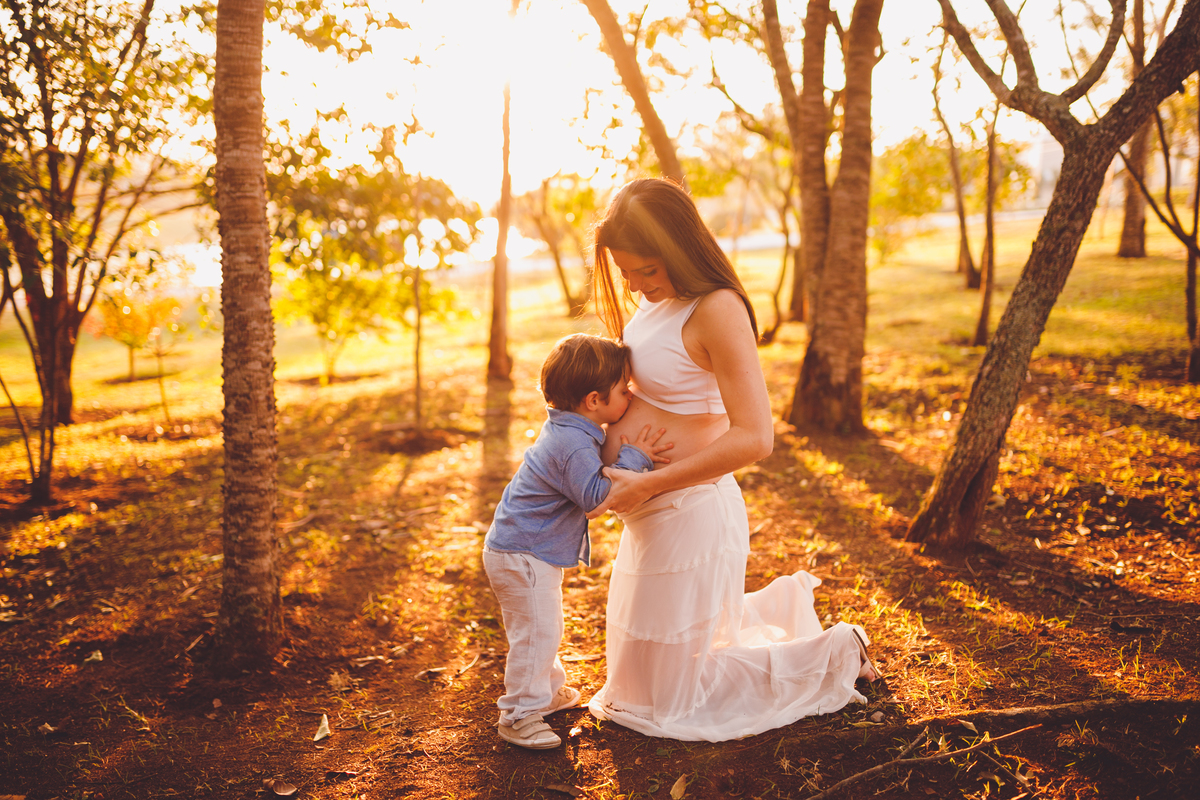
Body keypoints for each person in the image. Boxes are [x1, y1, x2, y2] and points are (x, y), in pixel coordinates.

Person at [584, 177, 879, 742]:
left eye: (647, 269)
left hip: (692, 512)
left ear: (680, 247)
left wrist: (652, 483)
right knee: (636, 691)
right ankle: (795, 637)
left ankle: (839, 652)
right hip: (648, 523)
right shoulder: (652, 309)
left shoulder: (716, 308)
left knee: (670, 702)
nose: (636, 284)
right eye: (626, 272)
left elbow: (754, 437)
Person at [483, 333, 673, 750]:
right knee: (536, 633)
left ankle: (546, 691)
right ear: (593, 400)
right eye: (624, 391)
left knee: (541, 629)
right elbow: (594, 499)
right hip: (523, 553)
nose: (629, 397)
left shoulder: (569, 431)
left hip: (522, 550)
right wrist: (635, 458)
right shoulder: (572, 444)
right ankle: (517, 714)